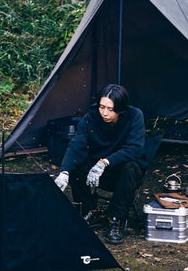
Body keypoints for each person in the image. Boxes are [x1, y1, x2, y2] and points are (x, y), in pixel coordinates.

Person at [53, 84, 147, 245]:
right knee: (77, 165)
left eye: (110, 109)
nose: (104, 113)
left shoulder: (134, 116)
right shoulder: (90, 119)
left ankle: (115, 218)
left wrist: (105, 163)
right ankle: (89, 210)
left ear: (120, 108)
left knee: (131, 167)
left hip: (121, 171)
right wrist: (64, 172)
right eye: (102, 107)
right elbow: (77, 145)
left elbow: (134, 148)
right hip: (96, 172)